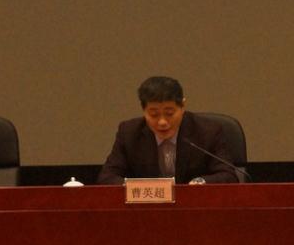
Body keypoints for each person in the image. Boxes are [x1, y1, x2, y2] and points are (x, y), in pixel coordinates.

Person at [97, 75, 241, 184]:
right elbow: (107, 177)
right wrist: (134, 188)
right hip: (146, 209)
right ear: (143, 110)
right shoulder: (129, 133)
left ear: (182, 107)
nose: (162, 122)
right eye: (154, 114)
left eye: (169, 113)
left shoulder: (208, 131)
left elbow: (228, 175)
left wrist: (199, 183)